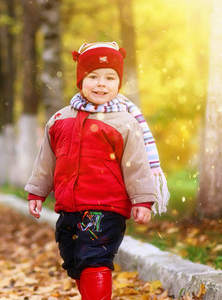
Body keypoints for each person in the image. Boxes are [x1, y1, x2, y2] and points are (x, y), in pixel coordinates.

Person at [24, 42, 170, 300]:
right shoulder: (60, 119)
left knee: (94, 258)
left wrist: (142, 200)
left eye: (110, 78)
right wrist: (37, 192)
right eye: (93, 77)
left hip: (106, 208)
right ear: (81, 80)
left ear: (119, 83)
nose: (101, 84)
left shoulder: (124, 123)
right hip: (68, 208)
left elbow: (136, 165)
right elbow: (46, 160)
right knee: (74, 259)